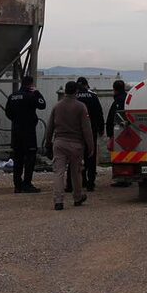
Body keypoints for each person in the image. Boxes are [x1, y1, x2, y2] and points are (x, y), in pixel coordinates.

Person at [50, 81, 93, 210]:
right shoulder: (81, 107)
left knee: (59, 172)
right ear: (76, 92)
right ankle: (77, 197)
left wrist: (47, 141)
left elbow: (50, 126)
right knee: (76, 171)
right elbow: (86, 128)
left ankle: (58, 201)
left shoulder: (57, 106)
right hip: (76, 144)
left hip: (59, 142)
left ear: (65, 91)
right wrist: (90, 146)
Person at [5, 75, 47, 194]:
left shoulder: (13, 96)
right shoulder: (31, 95)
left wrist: (17, 120)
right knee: (30, 158)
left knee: (17, 159)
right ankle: (27, 184)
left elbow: (8, 113)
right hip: (28, 132)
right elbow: (42, 105)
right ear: (31, 84)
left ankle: (17, 185)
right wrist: (37, 93)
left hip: (16, 131)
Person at [75, 77, 104, 192]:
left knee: (78, 157)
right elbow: (99, 114)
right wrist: (101, 128)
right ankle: (91, 182)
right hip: (91, 131)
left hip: (76, 133)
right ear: (87, 85)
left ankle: (81, 180)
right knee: (91, 156)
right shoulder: (93, 97)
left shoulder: (74, 98)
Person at [106, 79, 130, 188]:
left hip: (119, 133)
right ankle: (125, 178)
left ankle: (123, 178)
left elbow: (113, 118)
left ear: (114, 89)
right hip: (129, 132)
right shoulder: (128, 99)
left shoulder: (117, 101)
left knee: (120, 156)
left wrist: (110, 133)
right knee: (127, 155)